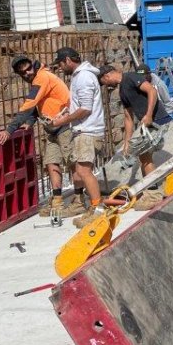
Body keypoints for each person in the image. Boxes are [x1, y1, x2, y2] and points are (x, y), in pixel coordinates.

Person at [0, 55, 84, 218]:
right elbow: (39, 106)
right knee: (51, 162)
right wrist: (30, 121)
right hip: (52, 128)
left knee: (73, 163)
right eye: (23, 73)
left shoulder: (42, 77)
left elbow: (29, 103)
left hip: (64, 125)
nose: (27, 73)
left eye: (28, 69)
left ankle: (79, 199)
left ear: (33, 66)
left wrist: (10, 129)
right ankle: (57, 199)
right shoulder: (39, 78)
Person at [52, 47, 106, 228]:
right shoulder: (81, 76)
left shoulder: (83, 77)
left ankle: (98, 209)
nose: (60, 68)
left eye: (60, 64)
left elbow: (86, 108)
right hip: (85, 130)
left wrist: (63, 120)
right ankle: (94, 207)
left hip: (87, 131)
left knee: (84, 171)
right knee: (80, 170)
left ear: (67, 60)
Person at [97, 65, 173, 178]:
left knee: (145, 157)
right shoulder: (122, 91)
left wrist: (148, 115)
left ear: (107, 75)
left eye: (103, 82)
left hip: (158, 120)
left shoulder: (131, 77)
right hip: (148, 125)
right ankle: (148, 188)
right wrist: (127, 142)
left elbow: (151, 91)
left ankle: (153, 192)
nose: (106, 85)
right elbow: (128, 118)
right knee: (143, 157)